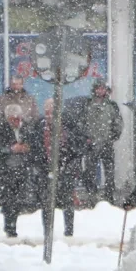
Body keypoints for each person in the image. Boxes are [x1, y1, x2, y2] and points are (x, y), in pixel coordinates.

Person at [34, 98, 84, 237]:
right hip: (46, 170)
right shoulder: (39, 127)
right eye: (47, 112)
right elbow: (35, 149)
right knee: (47, 203)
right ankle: (47, 233)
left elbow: (76, 146)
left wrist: (67, 162)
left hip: (65, 169)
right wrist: (43, 166)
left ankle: (69, 231)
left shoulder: (68, 126)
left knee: (67, 201)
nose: (50, 115)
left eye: (52, 112)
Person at [0, 105, 37, 238]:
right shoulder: (0, 129)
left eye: (18, 118)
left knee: (18, 199)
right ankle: (10, 227)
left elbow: (34, 145)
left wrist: (26, 148)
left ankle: (13, 223)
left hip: (22, 168)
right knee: (9, 199)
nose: (16, 121)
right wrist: (11, 149)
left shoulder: (27, 128)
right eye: (13, 119)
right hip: (7, 170)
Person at [81, 81, 122, 202]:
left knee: (109, 173)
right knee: (90, 172)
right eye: (98, 88)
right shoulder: (87, 104)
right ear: (95, 90)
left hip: (106, 144)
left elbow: (118, 123)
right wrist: (86, 137)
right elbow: (82, 122)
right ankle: (92, 196)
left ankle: (109, 197)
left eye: (103, 88)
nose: (100, 91)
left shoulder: (112, 105)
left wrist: (112, 137)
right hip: (91, 145)